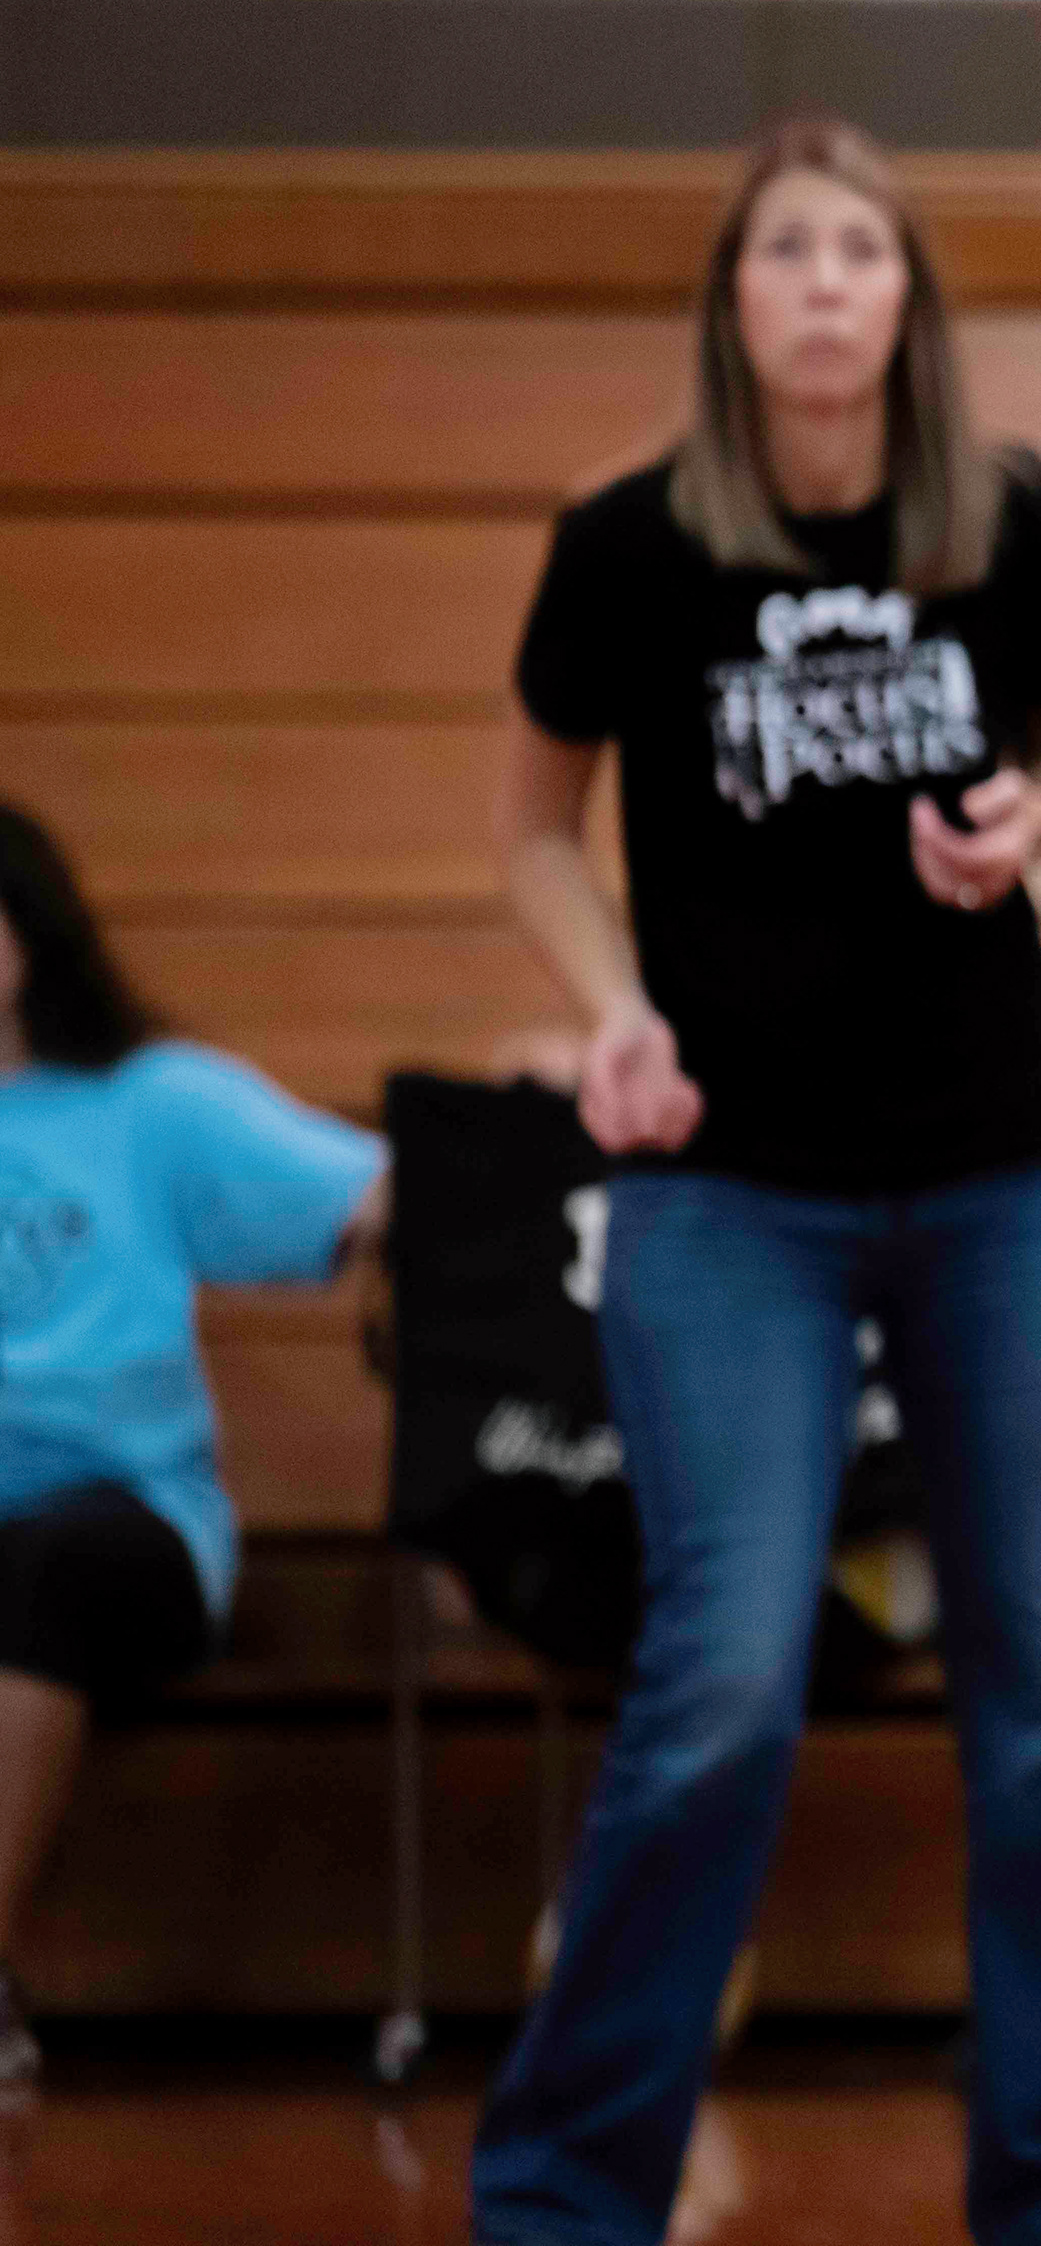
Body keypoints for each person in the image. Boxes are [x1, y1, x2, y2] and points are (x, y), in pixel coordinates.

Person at [474, 118, 1041, 2246]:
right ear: (736, 304)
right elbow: (531, 834)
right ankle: (567, 2190)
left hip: (1008, 1175)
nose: (829, 282)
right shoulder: (625, 545)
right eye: (789, 249)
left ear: (906, 300)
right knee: (722, 1688)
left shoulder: (1003, 514)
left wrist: (1039, 812)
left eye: (862, 248)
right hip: (731, 1195)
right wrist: (612, 1005)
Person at [0, 804, 389, 2091]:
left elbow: (377, 1195)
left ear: (24, 940)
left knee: (44, 1564)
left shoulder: (149, 1104)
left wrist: (550, 1109)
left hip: (124, 1527)